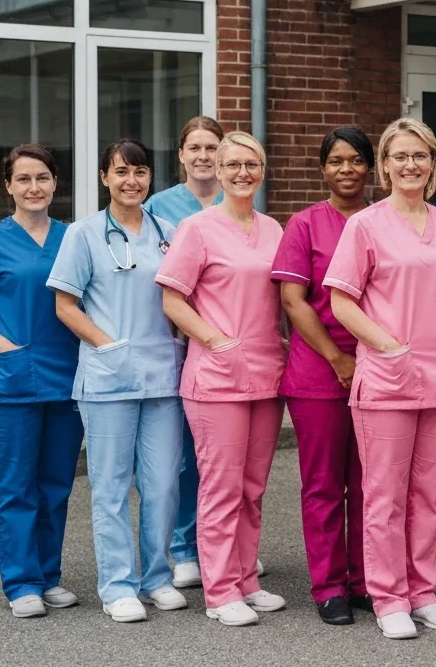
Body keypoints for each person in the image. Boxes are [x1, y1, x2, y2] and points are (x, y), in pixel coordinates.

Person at [325, 118, 436, 640]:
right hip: (389, 377)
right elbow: (341, 299)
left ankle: (423, 591)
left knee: (430, 493)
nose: (410, 165)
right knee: (385, 495)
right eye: (400, 156)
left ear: (433, 163)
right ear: (385, 165)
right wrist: (389, 347)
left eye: (420, 156)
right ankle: (389, 597)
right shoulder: (365, 224)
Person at [45, 139, 184, 623]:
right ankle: (118, 584)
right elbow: (65, 305)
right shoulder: (83, 234)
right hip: (109, 380)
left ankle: (158, 577)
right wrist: (108, 346)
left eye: (141, 171)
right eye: (121, 171)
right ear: (104, 177)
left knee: (164, 484)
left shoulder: (169, 232)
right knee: (110, 487)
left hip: (164, 376)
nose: (132, 180)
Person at [156, 131, 287, 627]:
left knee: (252, 486)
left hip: (267, 374)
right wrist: (216, 341)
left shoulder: (273, 229)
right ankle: (220, 590)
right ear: (219, 169)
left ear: (262, 169)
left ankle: (246, 580)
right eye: (232, 164)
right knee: (221, 485)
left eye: (251, 163)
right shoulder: (197, 227)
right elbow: (172, 299)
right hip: (216, 377)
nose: (241, 172)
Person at [0, 144, 83, 619]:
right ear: (8, 186)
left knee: (56, 484)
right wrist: (2, 346)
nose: (34, 187)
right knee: (18, 485)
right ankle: (22, 581)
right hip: (11, 382)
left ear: (55, 184)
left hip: (66, 376)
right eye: (23, 179)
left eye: (42, 177)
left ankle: (49, 576)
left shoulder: (74, 238)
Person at [272, 126, 373, 626]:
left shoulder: (382, 221)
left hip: (378, 369)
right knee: (325, 484)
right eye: (336, 160)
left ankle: (363, 581)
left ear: (369, 167)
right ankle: (330, 585)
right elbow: (293, 300)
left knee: (369, 481)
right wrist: (337, 359)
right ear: (322, 169)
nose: (346, 169)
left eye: (356, 160)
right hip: (319, 374)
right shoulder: (305, 225)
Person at [143, 116, 243, 590]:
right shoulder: (159, 207)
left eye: (211, 148)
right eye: (195, 148)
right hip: (175, 341)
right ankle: (184, 547)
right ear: (180, 155)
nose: (203, 156)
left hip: (226, 346)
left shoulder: (238, 200)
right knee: (185, 454)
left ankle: (223, 548)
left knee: (225, 460)